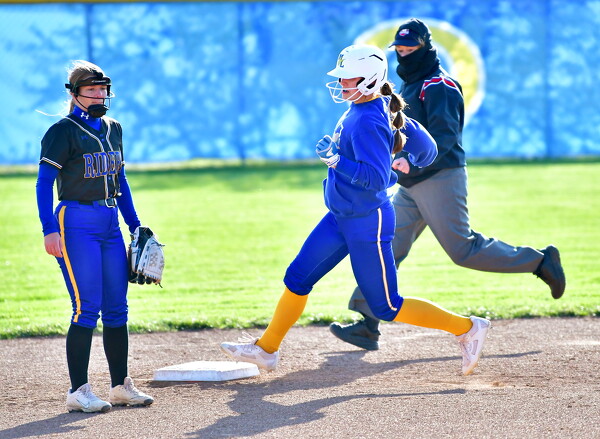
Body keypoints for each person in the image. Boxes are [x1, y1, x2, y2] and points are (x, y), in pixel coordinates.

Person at [221, 44, 490, 376]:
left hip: (367, 222)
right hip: (341, 216)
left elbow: (375, 179)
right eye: (342, 77)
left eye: (349, 77)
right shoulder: (377, 106)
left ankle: (468, 328)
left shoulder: (368, 120)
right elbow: (428, 149)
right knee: (298, 277)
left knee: (386, 306)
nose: (342, 83)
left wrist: (338, 160)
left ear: (370, 79)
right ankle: (267, 349)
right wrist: (408, 159)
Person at [329, 18, 566, 351]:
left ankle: (540, 261)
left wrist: (411, 161)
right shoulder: (409, 84)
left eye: (410, 47)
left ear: (426, 47)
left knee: (463, 250)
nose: (404, 53)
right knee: (388, 247)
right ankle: (367, 324)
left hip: (439, 177)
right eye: (399, 48)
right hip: (411, 183)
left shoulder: (438, 85)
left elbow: (445, 137)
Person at [36, 60, 154, 413]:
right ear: (74, 94)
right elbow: (44, 183)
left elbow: (121, 181)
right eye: (91, 90)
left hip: (108, 222)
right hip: (75, 221)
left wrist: (135, 225)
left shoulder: (114, 128)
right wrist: (49, 229)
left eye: (103, 89)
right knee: (87, 306)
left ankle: (120, 386)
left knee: (117, 306)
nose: (99, 95)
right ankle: (78, 390)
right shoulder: (62, 131)